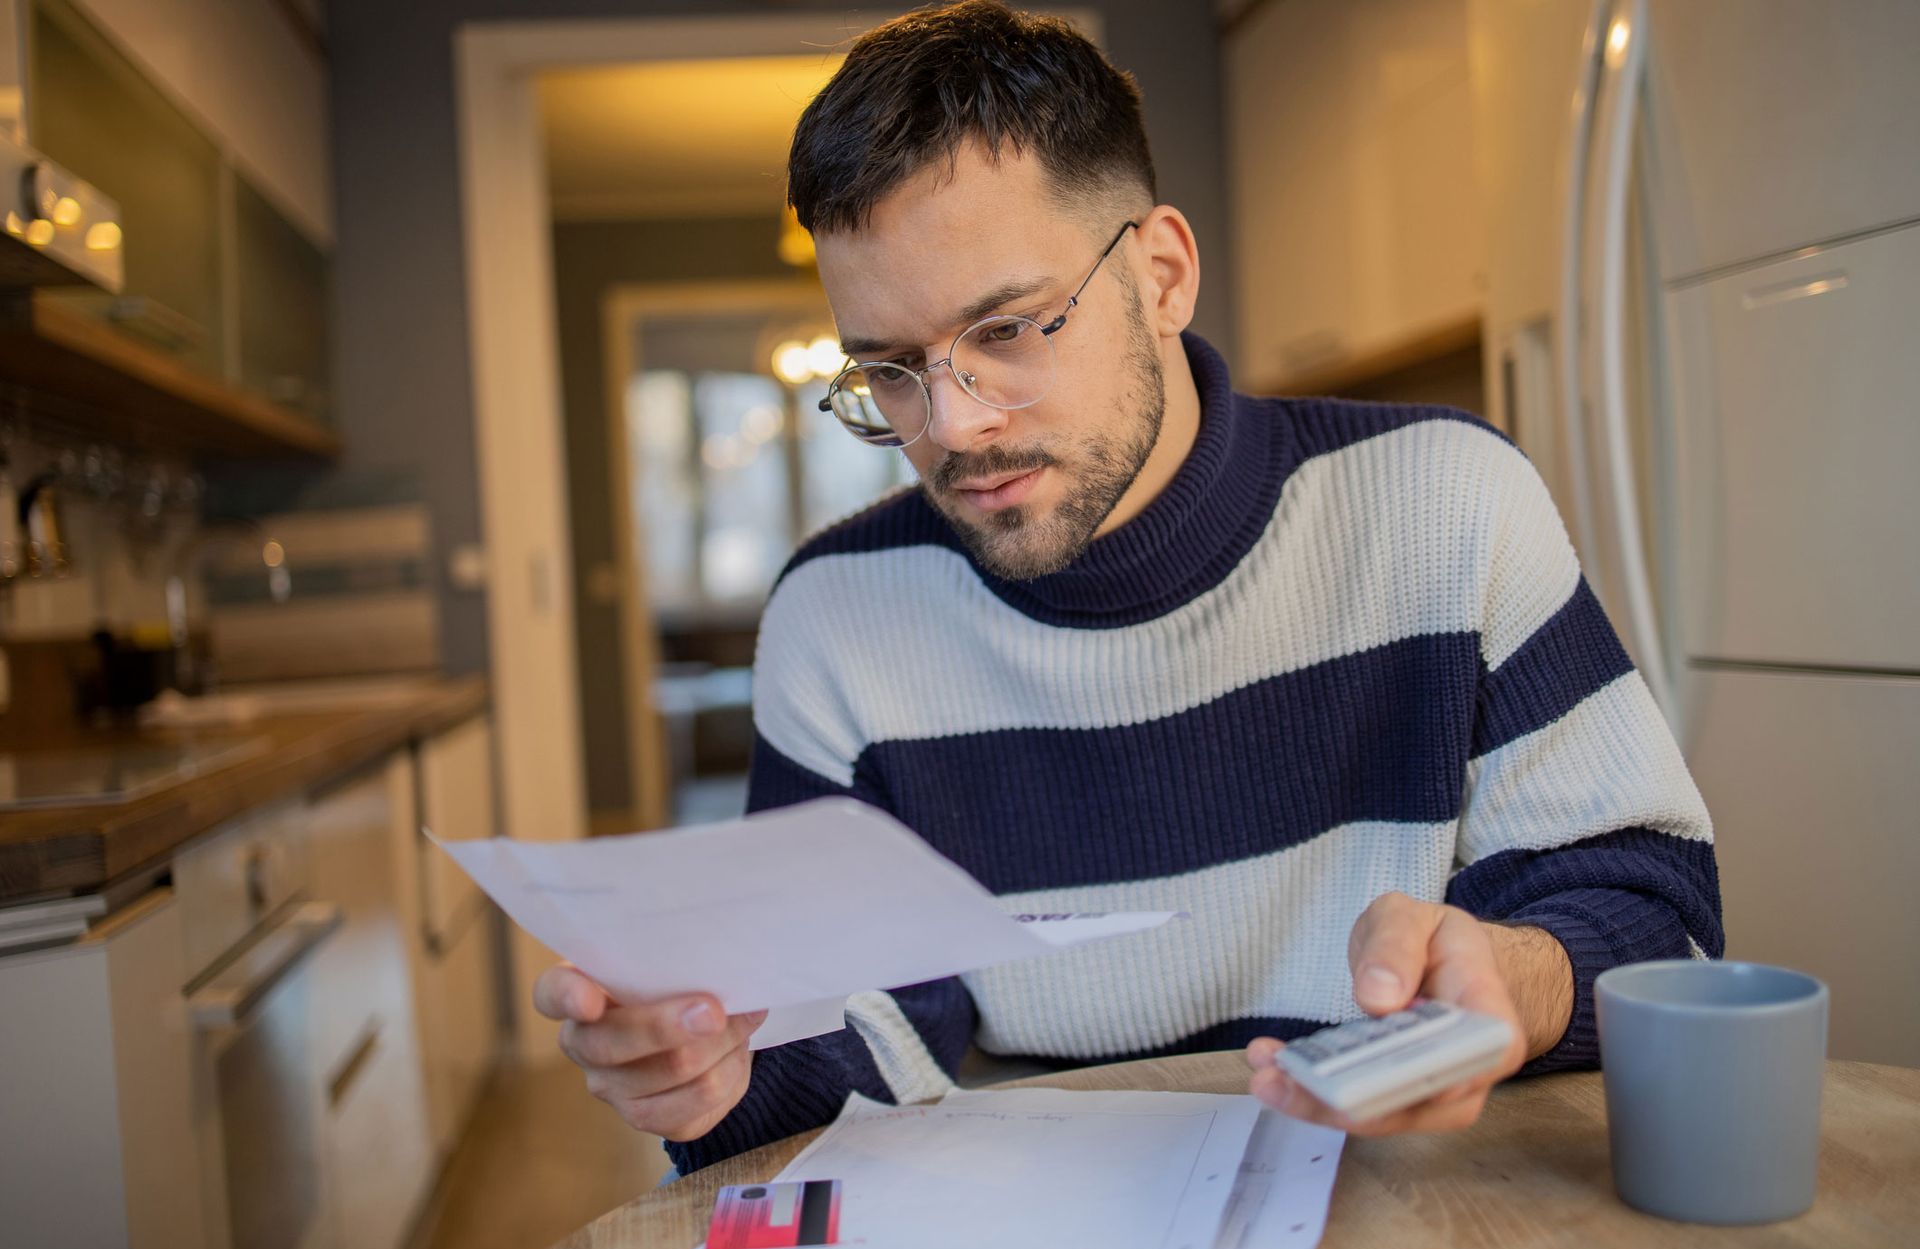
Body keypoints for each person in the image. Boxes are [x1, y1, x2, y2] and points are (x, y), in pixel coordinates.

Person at [535, 0, 1721, 1176]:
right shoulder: (838, 615)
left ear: (1161, 274)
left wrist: (1519, 973)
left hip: (1413, 1190)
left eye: (1005, 328)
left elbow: (1661, 917)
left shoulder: (1446, 506)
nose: (952, 427)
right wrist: (716, 1074)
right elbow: (854, 1030)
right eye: (890, 370)